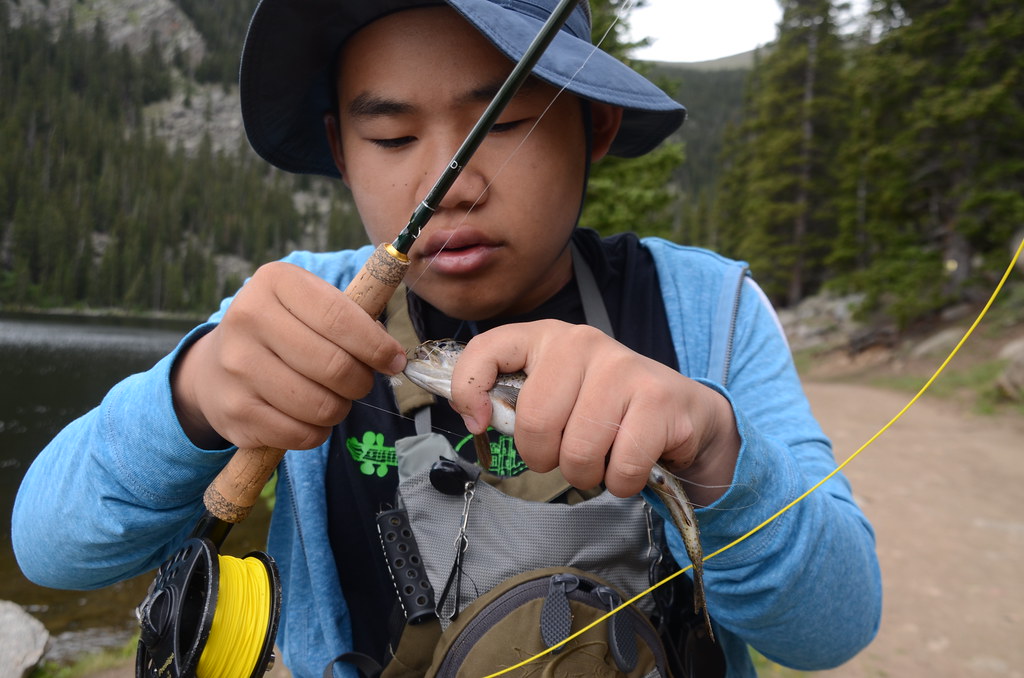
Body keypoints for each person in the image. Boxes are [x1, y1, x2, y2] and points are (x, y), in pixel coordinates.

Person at [12, 0, 882, 676]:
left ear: (596, 126)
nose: (449, 183)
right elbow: (53, 548)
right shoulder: (297, 308)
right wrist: (192, 399)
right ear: (340, 150)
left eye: (501, 125)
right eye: (390, 135)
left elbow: (832, 628)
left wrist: (711, 447)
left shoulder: (707, 307)